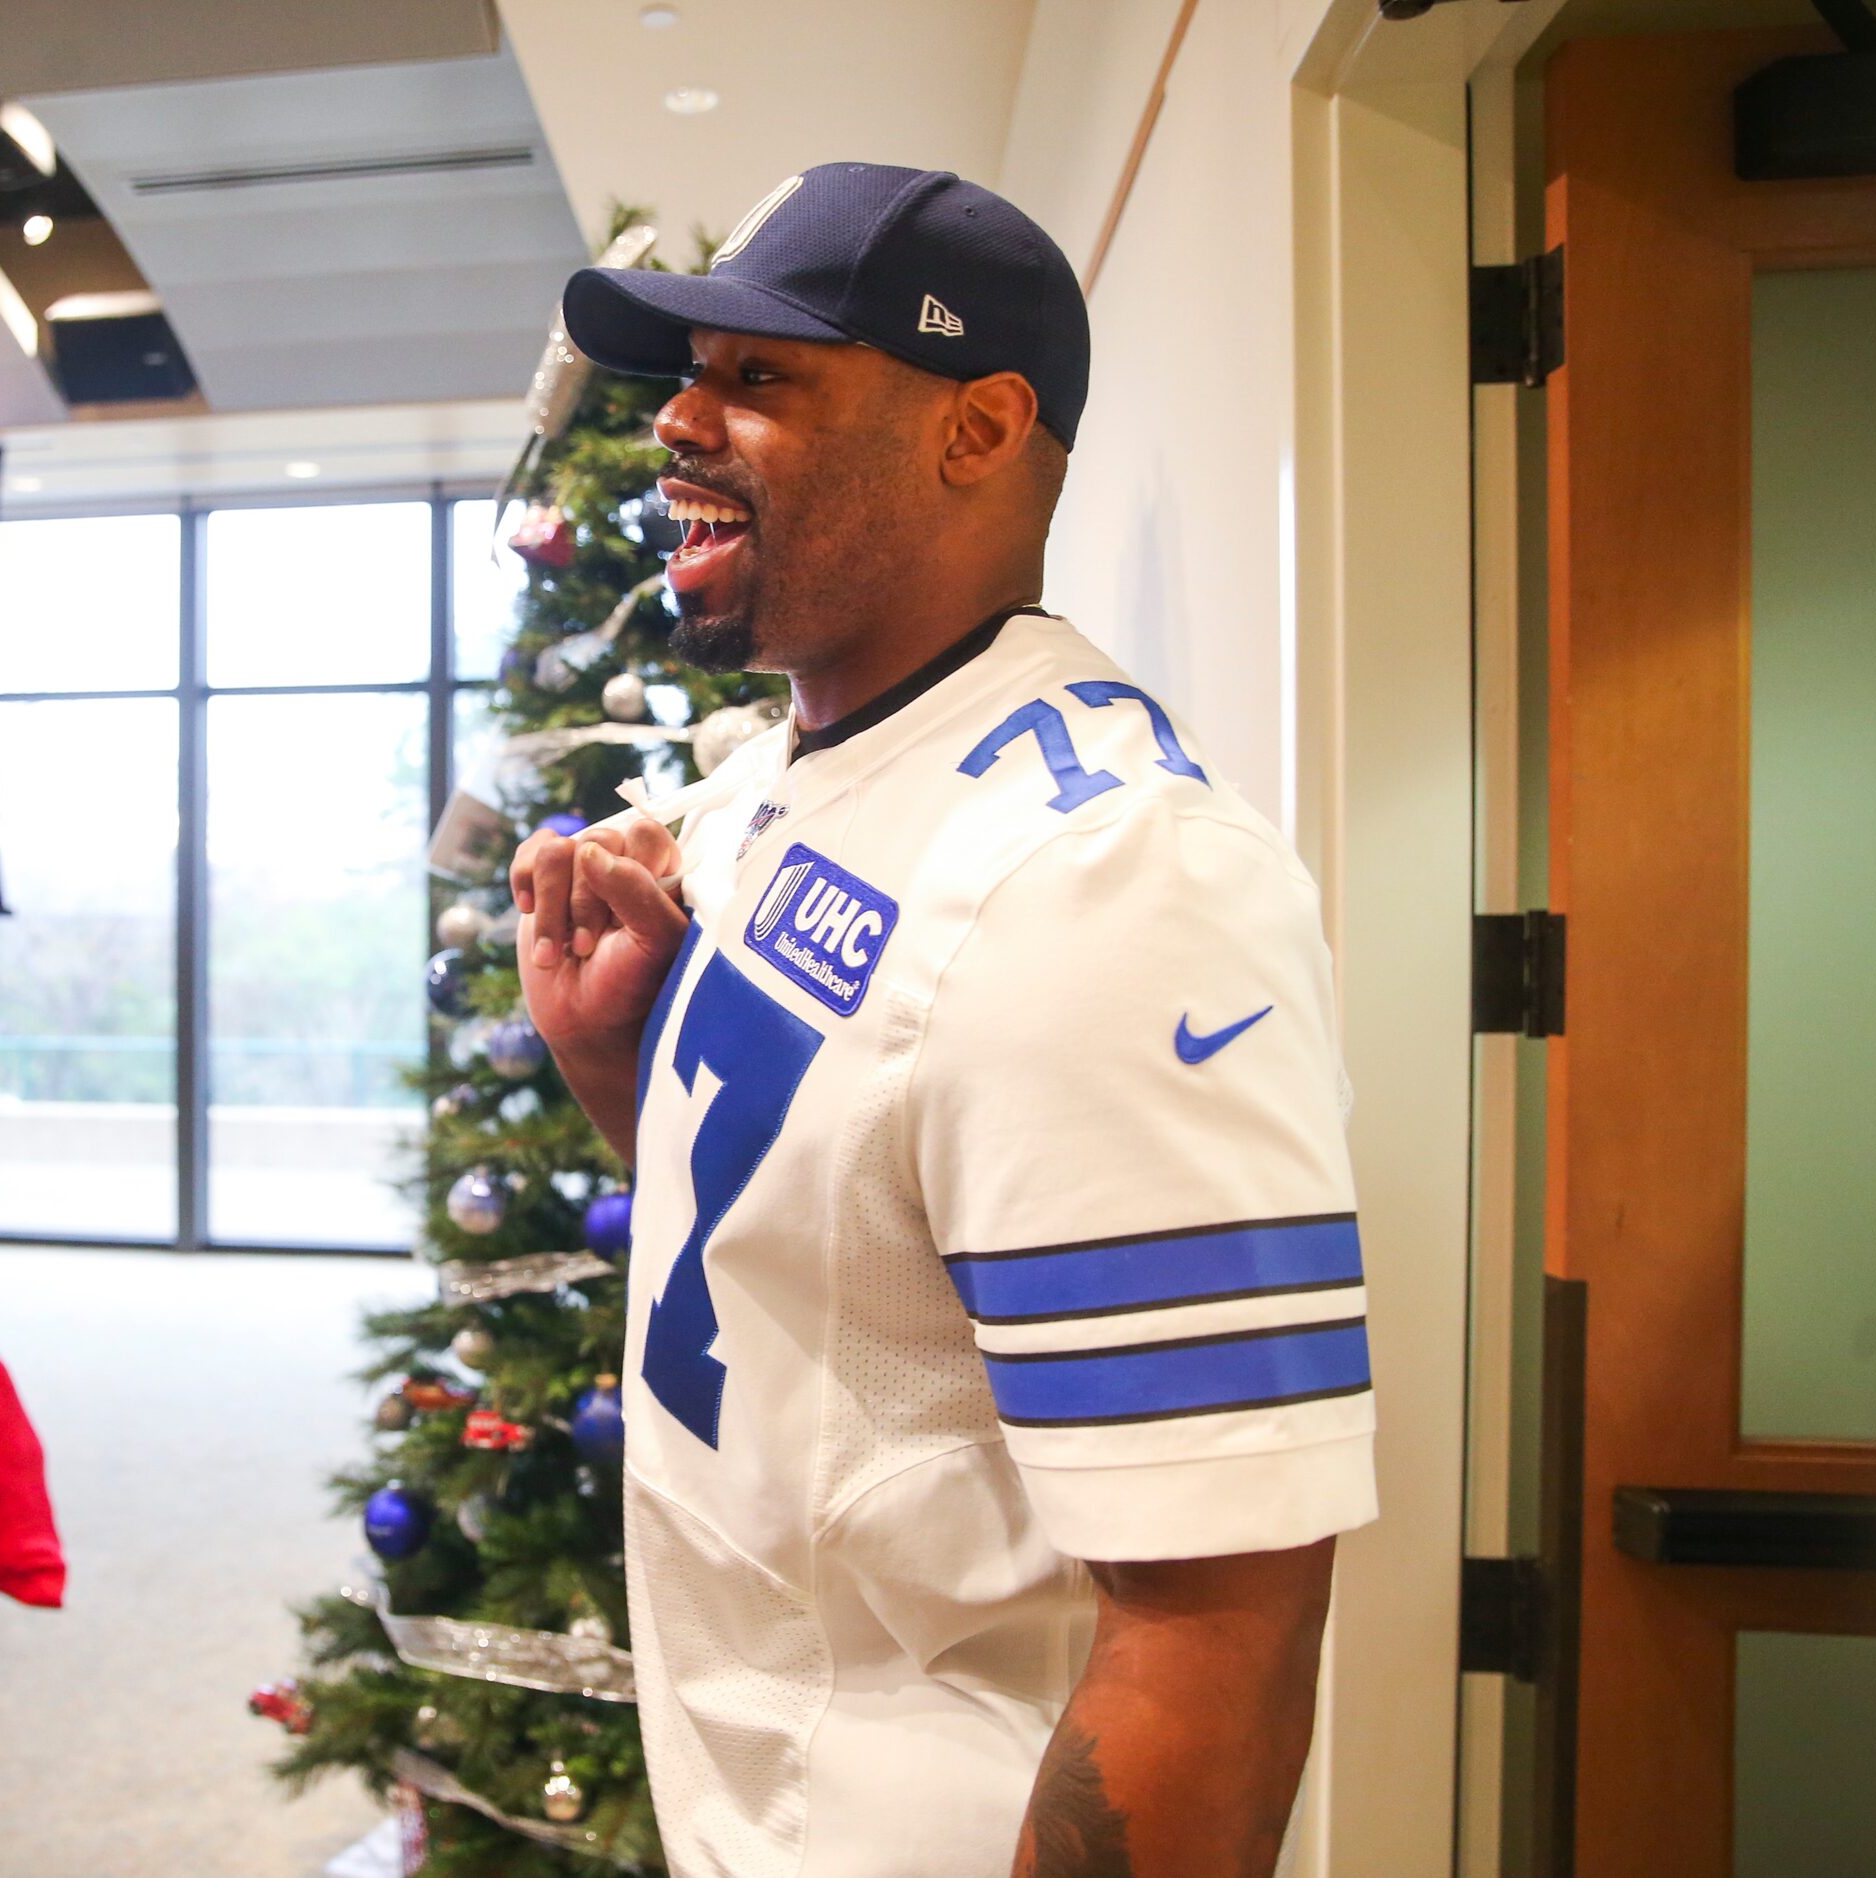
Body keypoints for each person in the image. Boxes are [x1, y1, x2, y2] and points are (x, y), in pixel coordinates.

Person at [514, 164, 1376, 1877]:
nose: (677, 418)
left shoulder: (1111, 880)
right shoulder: (778, 780)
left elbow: (1215, 1628)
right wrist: (616, 1063)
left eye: (759, 378)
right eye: (690, 370)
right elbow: (821, 1271)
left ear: (977, 429)